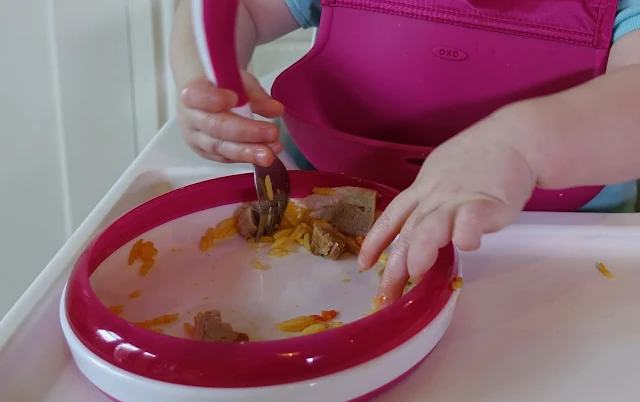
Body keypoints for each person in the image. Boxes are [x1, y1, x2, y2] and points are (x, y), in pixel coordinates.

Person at [170, 0, 640, 302]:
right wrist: (209, 80)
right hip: (327, 226)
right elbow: (237, 10)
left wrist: (522, 146)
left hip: (557, 251)